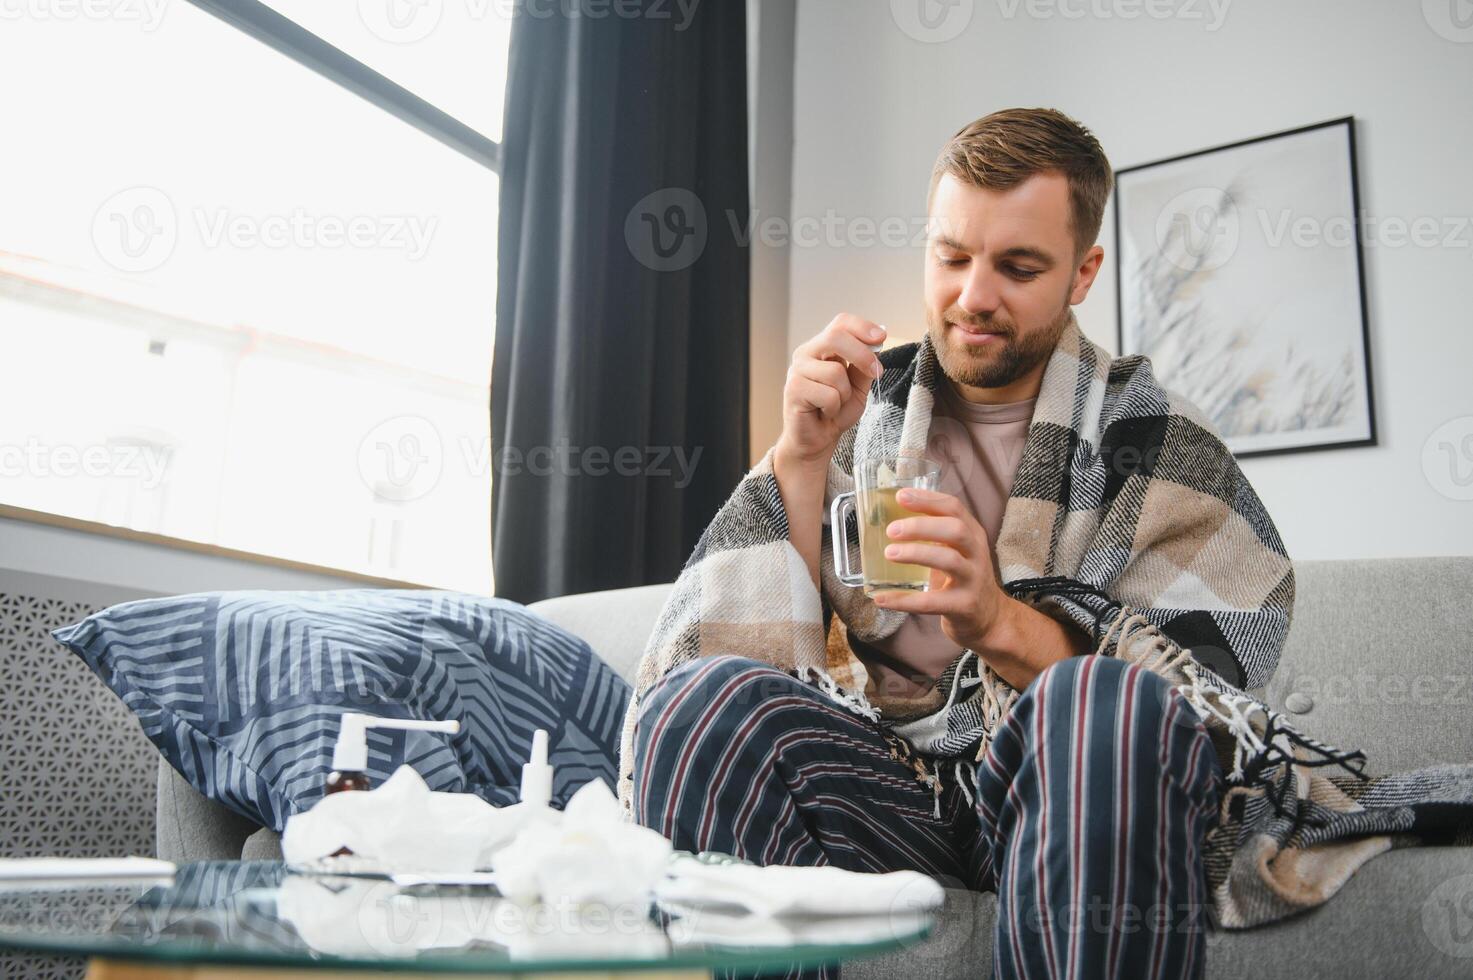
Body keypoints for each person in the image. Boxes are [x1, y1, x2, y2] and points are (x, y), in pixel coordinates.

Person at [619, 107, 1288, 979]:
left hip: (1067, 794)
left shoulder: (1156, 441)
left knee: (1100, 704)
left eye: (1017, 266)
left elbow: (1200, 699)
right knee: (698, 704)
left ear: (1082, 273)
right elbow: (744, 628)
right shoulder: (864, 411)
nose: (974, 294)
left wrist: (996, 620)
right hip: (891, 784)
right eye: (952, 257)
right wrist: (801, 452)